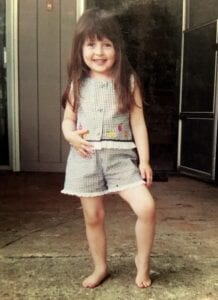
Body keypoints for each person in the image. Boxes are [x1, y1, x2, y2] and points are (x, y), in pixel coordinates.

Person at [61, 8, 156, 289]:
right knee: (94, 216)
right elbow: (68, 121)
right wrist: (70, 137)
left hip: (120, 159)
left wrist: (145, 160)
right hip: (85, 157)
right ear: (80, 49)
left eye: (106, 44)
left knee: (147, 208)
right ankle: (100, 267)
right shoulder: (77, 84)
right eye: (91, 44)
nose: (99, 52)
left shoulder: (128, 81)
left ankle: (143, 261)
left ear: (117, 48)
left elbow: (138, 123)